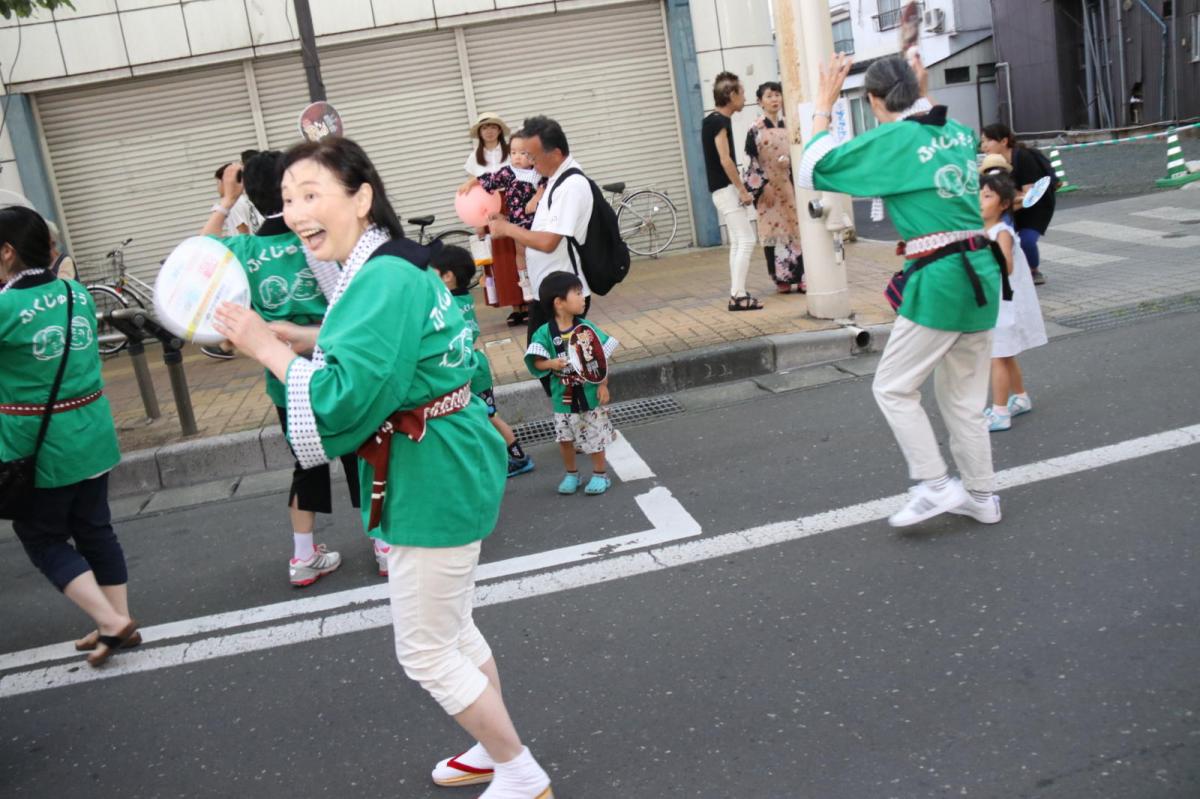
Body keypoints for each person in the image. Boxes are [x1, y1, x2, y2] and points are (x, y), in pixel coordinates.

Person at [213, 136, 553, 799]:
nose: (297, 211)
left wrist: (264, 345)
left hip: (431, 469)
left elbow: (341, 401)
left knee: (425, 649)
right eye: (287, 198)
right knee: (453, 628)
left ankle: (519, 768)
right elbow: (390, 348)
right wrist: (304, 337)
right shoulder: (390, 265)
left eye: (312, 194)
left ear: (361, 197)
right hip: (447, 452)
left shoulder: (376, 278)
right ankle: (493, 748)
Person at [799, 53, 1006, 527]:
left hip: (941, 278)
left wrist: (823, 105)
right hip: (982, 269)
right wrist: (923, 87)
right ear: (916, 90)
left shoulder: (894, 139)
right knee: (964, 402)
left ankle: (936, 485)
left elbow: (814, 168)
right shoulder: (955, 131)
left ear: (873, 101)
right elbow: (929, 127)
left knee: (893, 386)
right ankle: (982, 496)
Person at [200, 151, 370, 584]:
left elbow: (198, 253)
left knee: (306, 462)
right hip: (338, 364)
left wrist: (224, 200)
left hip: (284, 375)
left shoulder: (241, 248)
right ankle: (385, 546)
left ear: (251, 197)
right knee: (363, 452)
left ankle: (302, 557)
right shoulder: (319, 240)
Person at [1, 205, 139, 667]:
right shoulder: (75, 293)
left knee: (40, 536)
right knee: (95, 527)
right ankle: (118, 622)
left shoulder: (5, 306)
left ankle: (110, 621)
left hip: (40, 446)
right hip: (93, 432)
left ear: (6, 252)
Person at [488, 115, 594, 395]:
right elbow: (536, 221)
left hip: (563, 296)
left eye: (534, 156)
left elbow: (548, 242)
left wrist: (508, 228)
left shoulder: (571, 185)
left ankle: (584, 427)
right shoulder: (553, 180)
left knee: (565, 372)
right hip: (547, 292)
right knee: (548, 364)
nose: (531, 163)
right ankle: (577, 426)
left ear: (556, 153)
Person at [433, 244, 534, 478]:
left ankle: (518, 458)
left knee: (487, 416)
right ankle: (505, 457)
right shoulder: (463, 297)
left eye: (431, 271)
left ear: (447, 276)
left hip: (468, 369)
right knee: (485, 415)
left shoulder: (446, 304)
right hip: (475, 365)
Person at [525, 271, 618, 496]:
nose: (583, 296)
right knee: (565, 439)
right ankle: (572, 473)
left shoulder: (586, 329)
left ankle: (599, 474)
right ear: (559, 302)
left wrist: (603, 385)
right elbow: (536, 362)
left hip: (589, 392)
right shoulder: (544, 333)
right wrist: (552, 363)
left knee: (595, 436)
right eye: (577, 293)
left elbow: (600, 359)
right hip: (562, 397)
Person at [978, 171, 1047, 433]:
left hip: (1004, 305)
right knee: (1005, 355)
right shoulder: (985, 229)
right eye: (978, 195)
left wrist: (985, 254)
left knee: (998, 356)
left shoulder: (1001, 232)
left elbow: (1005, 266)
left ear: (1004, 204)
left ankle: (1000, 411)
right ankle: (1020, 396)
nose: (980, 200)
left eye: (987, 196)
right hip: (998, 302)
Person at [461, 131, 546, 312]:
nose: (517, 157)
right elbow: (489, 179)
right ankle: (525, 282)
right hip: (517, 222)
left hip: (539, 221)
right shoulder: (507, 172)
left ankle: (543, 281)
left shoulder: (539, 171)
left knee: (541, 252)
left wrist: (536, 197)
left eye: (522, 153)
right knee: (521, 251)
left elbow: (547, 185)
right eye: (513, 153)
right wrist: (471, 183)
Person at [459, 112, 527, 325]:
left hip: (512, 202)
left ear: (499, 130)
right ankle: (515, 306)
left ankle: (529, 301)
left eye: (493, 126)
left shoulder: (510, 152)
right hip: (488, 207)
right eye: (484, 127)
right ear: (479, 132)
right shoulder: (474, 157)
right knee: (501, 257)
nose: (489, 130)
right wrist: (478, 223)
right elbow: (473, 186)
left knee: (522, 250)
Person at [703, 71, 762, 311]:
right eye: (742, 92)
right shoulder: (718, 122)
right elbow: (725, 160)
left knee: (739, 241)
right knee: (747, 240)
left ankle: (737, 293)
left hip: (720, 190)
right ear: (730, 94)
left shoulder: (711, 120)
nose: (744, 96)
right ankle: (737, 295)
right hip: (726, 190)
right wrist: (742, 189)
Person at [743, 81, 804, 294]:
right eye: (769, 96)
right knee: (773, 231)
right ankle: (781, 279)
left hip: (789, 185)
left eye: (777, 95)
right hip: (768, 188)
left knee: (795, 228)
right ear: (760, 102)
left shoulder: (790, 125)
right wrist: (763, 186)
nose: (775, 99)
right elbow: (752, 161)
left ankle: (801, 275)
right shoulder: (756, 129)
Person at [981, 123, 1055, 286]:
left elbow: (1029, 194)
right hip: (1011, 206)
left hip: (1036, 206)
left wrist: (1011, 201)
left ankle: (1033, 270)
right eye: (982, 142)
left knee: (1027, 240)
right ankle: (1008, 272)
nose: (983, 146)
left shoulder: (1022, 157)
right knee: (1005, 238)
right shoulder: (992, 164)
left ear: (1004, 141)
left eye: (988, 141)